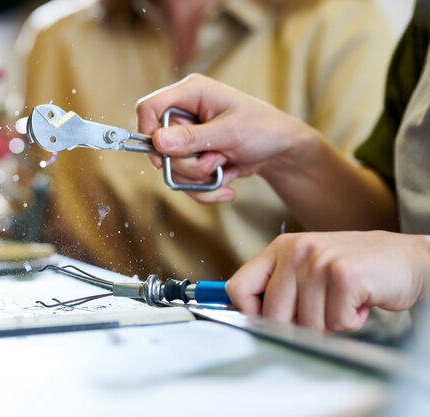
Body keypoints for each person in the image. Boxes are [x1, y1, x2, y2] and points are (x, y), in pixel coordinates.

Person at [9, 0, 393, 280]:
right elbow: (28, 217)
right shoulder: (57, 38)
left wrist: (290, 157)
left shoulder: (342, 28)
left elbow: (379, 246)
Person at [135, 0, 430, 333]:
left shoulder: (341, 25)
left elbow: (400, 256)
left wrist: (421, 265)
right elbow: (393, 226)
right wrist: (287, 152)